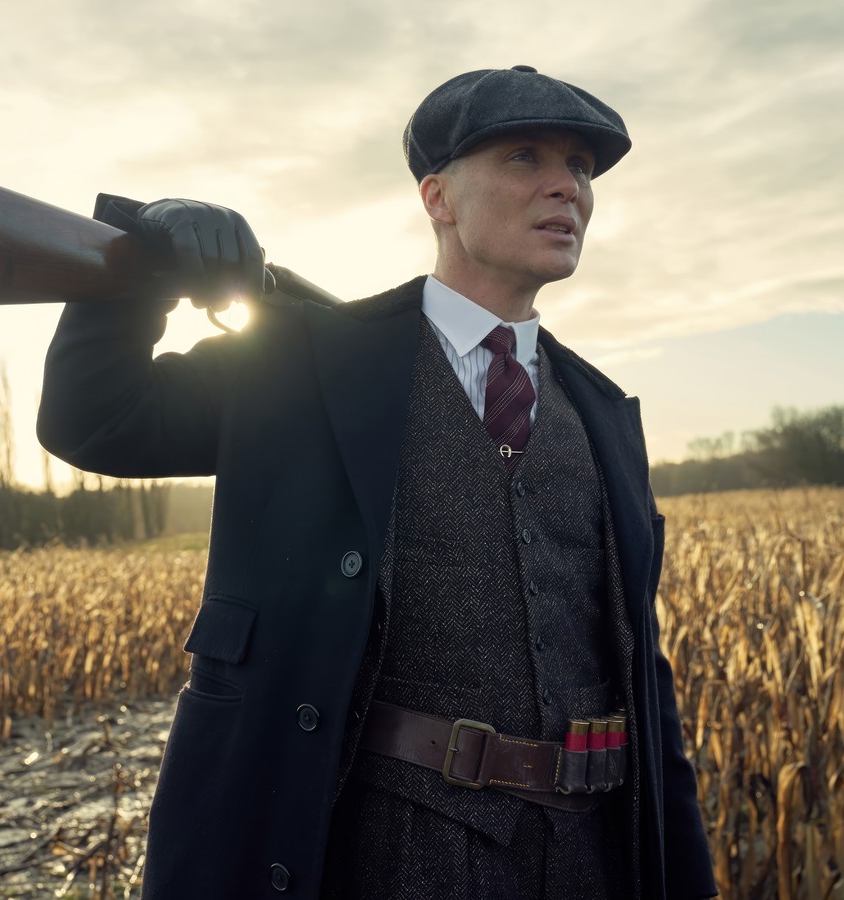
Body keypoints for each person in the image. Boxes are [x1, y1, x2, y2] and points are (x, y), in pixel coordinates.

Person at [37, 65, 717, 900]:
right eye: (524, 158)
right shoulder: (306, 361)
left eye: (580, 167)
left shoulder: (604, 411)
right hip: (388, 851)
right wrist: (148, 255)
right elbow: (95, 418)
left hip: (592, 860)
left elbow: (646, 685)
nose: (564, 187)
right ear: (437, 197)